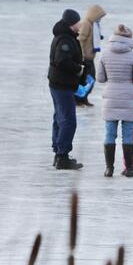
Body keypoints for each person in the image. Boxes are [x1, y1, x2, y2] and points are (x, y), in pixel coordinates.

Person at [97, 24, 133, 177]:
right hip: (129, 100)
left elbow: (100, 78)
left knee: (110, 134)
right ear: (129, 39)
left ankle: (109, 168)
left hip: (110, 99)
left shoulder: (104, 55)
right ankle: (129, 169)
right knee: (128, 134)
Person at [48, 9, 85, 170]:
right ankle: (62, 156)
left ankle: (58, 152)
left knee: (59, 118)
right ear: (72, 23)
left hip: (59, 84)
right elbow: (62, 61)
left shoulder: (65, 37)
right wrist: (79, 69)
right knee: (68, 121)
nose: (81, 24)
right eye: (78, 21)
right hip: (62, 85)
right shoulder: (65, 40)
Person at [76, 5, 107, 107]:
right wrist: (80, 56)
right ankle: (79, 99)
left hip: (90, 57)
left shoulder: (94, 25)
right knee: (88, 79)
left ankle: (84, 98)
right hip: (85, 58)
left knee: (88, 80)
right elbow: (80, 39)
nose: (100, 19)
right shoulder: (86, 24)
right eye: (99, 17)